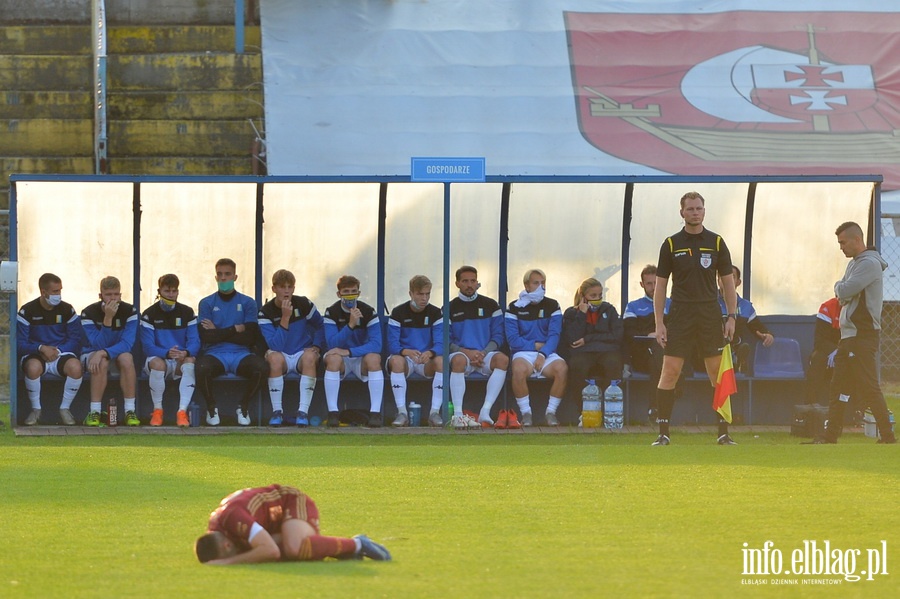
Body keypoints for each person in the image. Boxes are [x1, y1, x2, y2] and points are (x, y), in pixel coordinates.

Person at [653, 191, 737, 446]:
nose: (694, 213)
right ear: (682, 213)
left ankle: (723, 433)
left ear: (704, 211)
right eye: (690, 209)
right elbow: (660, 287)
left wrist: (731, 316)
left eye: (698, 208)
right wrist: (659, 323)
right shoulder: (670, 244)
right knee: (670, 371)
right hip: (680, 314)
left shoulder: (717, 242)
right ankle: (663, 433)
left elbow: (728, 283)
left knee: (717, 373)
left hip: (710, 314)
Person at [808, 222, 896, 444]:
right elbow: (844, 294)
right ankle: (831, 435)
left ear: (857, 240)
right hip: (849, 336)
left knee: (868, 385)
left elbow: (844, 290)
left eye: (843, 242)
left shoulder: (868, 264)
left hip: (862, 335)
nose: (841, 248)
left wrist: (840, 287)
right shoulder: (855, 263)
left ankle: (887, 435)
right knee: (839, 385)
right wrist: (843, 290)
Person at [195, 484, 391, 564]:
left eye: (230, 552)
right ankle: (343, 551)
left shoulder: (233, 518)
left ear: (227, 545)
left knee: (293, 549)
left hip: (292, 502)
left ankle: (358, 543)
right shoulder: (218, 528)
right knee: (281, 552)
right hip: (273, 522)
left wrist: (228, 562)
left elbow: (271, 550)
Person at [196, 258, 268, 426]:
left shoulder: (248, 303)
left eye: (227, 274)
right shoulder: (206, 303)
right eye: (220, 274)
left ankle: (243, 406)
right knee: (201, 368)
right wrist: (235, 329)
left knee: (262, 368)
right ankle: (211, 407)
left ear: (235, 277)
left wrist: (218, 331)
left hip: (241, 353)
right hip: (215, 353)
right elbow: (207, 337)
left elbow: (250, 336)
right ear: (215, 277)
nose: (223, 278)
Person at [16, 273, 84, 426]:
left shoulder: (67, 309)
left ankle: (65, 409)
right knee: (32, 368)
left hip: (61, 353)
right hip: (36, 354)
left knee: (76, 367)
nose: (58, 295)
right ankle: (36, 410)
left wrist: (57, 351)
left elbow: (75, 340)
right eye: (54, 292)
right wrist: (40, 348)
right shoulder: (27, 311)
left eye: (60, 291)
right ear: (43, 292)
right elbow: (20, 344)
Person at [258, 269, 324, 427]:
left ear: (294, 288)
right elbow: (275, 345)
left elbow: (320, 325)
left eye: (290, 286)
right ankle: (277, 412)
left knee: (310, 357)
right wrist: (285, 317)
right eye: (282, 287)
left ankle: (303, 412)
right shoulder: (265, 312)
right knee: (273, 358)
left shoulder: (304, 304)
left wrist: (316, 346)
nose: (286, 290)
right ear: (274, 289)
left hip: (302, 354)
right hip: (281, 355)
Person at [505, 268, 568, 427]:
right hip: (523, 353)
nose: (541, 286)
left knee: (562, 368)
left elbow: (554, 335)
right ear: (526, 285)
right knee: (518, 369)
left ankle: (551, 412)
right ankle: (526, 413)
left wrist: (543, 353)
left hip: (546, 353)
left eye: (543, 283)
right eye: (536, 283)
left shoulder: (553, 305)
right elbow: (513, 340)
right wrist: (534, 346)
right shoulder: (513, 307)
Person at [448, 265, 508, 428]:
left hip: (484, 355)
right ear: (457, 283)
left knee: (502, 360)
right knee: (458, 361)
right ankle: (458, 415)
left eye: (473, 281)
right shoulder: (449, 308)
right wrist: (466, 352)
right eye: (465, 281)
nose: (469, 285)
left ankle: (485, 412)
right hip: (462, 355)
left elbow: (498, 336)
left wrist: (482, 353)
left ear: (477, 282)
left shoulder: (491, 305)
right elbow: (447, 340)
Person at [321, 275, 384, 428]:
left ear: (359, 293)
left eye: (353, 291)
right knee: (333, 358)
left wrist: (349, 351)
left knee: (374, 359)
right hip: (340, 361)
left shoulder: (369, 311)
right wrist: (350, 325)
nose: (350, 295)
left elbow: (376, 345)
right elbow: (332, 344)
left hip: (358, 357)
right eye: (346, 291)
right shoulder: (331, 312)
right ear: (339, 294)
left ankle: (375, 414)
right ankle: (333, 413)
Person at [139, 274, 200, 427]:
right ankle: (158, 411)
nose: (171, 295)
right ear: (159, 291)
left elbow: (195, 342)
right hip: (160, 359)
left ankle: (182, 412)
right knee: (157, 364)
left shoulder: (187, 312)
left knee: (190, 360)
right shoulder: (148, 314)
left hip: (179, 359)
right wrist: (166, 353)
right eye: (167, 291)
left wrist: (185, 352)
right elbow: (147, 347)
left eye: (174, 291)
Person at [80, 276, 140, 426]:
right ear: (100, 296)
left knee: (127, 358)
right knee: (101, 361)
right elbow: (97, 344)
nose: (113, 299)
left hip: (113, 354)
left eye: (116, 294)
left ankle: (129, 411)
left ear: (120, 295)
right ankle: (94, 412)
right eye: (108, 295)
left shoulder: (130, 311)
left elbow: (127, 344)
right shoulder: (88, 313)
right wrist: (108, 318)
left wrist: (103, 352)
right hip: (91, 354)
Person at [561, 278, 623, 423]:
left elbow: (616, 336)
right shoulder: (571, 313)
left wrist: (588, 339)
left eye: (600, 295)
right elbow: (573, 339)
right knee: (577, 365)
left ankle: (611, 412)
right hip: (583, 352)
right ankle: (583, 412)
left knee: (613, 363)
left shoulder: (609, 309)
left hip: (606, 350)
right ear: (583, 296)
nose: (597, 299)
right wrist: (581, 314)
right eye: (593, 296)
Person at [388, 275, 445, 427]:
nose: (424, 298)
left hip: (425, 360)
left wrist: (430, 353)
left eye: (427, 294)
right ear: (411, 294)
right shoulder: (398, 312)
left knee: (441, 361)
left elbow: (441, 343)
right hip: (406, 358)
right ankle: (402, 412)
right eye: (420, 294)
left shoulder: (435, 313)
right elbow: (392, 345)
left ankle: (434, 412)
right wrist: (406, 351)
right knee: (396, 360)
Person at [622, 264, 670, 422]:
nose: (653, 287)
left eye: (656, 282)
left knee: (658, 357)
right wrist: (649, 335)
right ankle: (662, 403)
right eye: (649, 283)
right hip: (641, 354)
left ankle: (654, 409)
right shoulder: (633, 306)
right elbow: (628, 333)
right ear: (642, 285)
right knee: (657, 354)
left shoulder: (672, 305)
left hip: (669, 351)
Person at [721, 265, 774, 373]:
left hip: (735, 346)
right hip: (713, 349)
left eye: (732, 277)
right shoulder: (709, 304)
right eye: (722, 277)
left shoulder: (745, 306)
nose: (726, 280)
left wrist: (767, 335)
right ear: (718, 280)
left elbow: (758, 328)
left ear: (738, 282)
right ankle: (734, 362)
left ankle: (736, 359)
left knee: (737, 349)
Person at [804, 296, 841, 405]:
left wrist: (841, 351)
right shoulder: (828, 307)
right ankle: (810, 406)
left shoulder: (856, 307)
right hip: (827, 350)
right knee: (817, 359)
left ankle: (858, 412)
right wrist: (834, 350)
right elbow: (819, 341)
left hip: (847, 348)